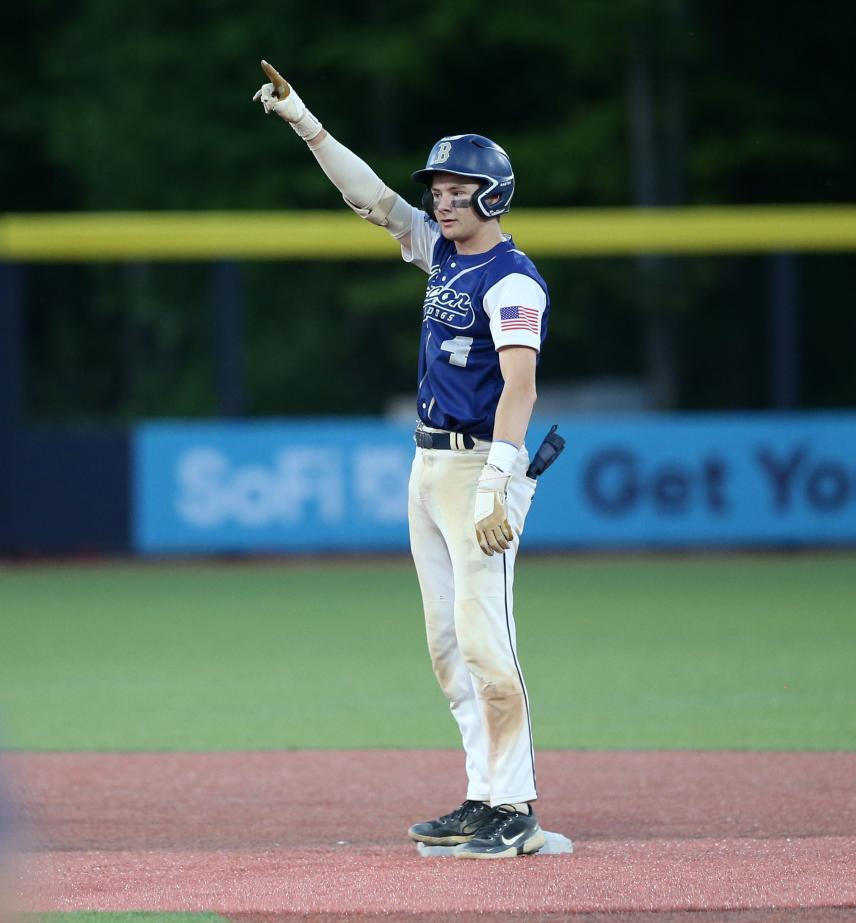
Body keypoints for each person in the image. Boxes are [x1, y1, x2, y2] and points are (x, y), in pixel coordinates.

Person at [254, 61, 549, 859]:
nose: (442, 198)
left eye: (459, 187)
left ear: (494, 195)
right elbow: (374, 199)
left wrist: (499, 482)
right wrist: (305, 123)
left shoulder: (512, 278)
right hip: (427, 464)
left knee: (489, 641)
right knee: (447, 645)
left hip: (481, 467)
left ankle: (516, 805)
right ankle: (481, 794)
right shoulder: (445, 256)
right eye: (440, 187)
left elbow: (518, 387)